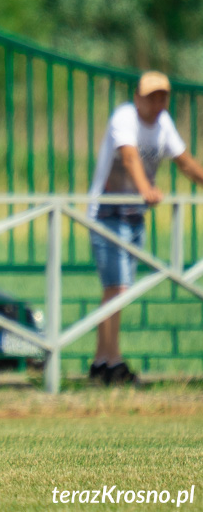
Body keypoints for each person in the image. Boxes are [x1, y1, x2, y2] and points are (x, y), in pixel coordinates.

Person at [88, 71, 203, 385]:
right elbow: (128, 157)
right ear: (137, 97)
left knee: (118, 290)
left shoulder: (163, 124)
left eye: (162, 96)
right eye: (151, 96)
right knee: (118, 288)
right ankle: (112, 361)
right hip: (107, 213)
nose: (157, 102)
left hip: (134, 216)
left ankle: (103, 361)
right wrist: (146, 190)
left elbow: (184, 161)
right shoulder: (124, 118)